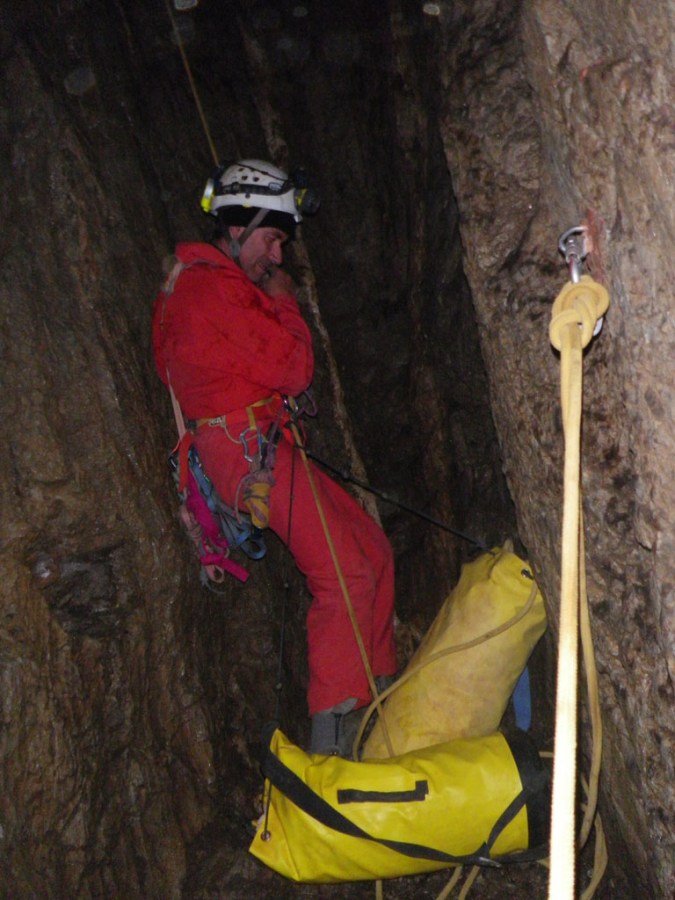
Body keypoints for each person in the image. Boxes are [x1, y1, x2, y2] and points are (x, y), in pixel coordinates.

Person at [152, 159, 397, 755]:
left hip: (262, 443)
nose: (277, 256)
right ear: (237, 228)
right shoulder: (208, 290)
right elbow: (294, 368)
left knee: (371, 549)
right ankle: (334, 742)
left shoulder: (211, 284)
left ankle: (381, 702)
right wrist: (285, 303)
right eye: (271, 238)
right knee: (344, 574)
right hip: (244, 451)